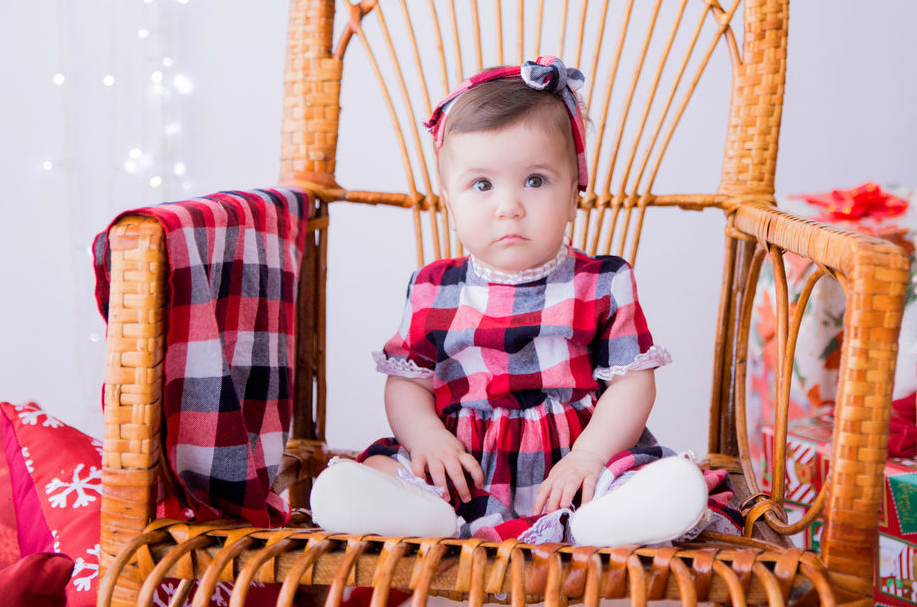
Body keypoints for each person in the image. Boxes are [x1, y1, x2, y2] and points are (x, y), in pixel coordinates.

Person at [310, 57, 745, 545]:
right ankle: (421, 515)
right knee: (387, 467)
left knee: (646, 480)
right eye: (481, 184)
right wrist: (426, 437)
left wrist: (592, 455)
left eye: (535, 180)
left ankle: (604, 521)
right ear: (449, 200)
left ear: (575, 191)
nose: (509, 205)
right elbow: (408, 382)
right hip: (464, 462)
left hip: (574, 458)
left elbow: (632, 382)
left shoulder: (601, 281)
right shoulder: (434, 287)